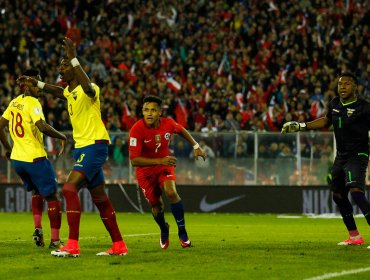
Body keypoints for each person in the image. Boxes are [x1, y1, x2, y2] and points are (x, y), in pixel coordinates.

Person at [17, 37, 127, 257]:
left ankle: (73, 245)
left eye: (64, 65)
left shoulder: (90, 88)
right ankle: (119, 245)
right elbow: (56, 91)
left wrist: (74, 57)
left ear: (75, 69)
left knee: (68, 189)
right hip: (82, 148)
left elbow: (87, 88)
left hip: (94, 146)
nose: (60, 68)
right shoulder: (68, 92)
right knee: (100, 198)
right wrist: (34, 82)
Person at [281, 72, 370, 247]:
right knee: (337, 195)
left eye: (346, 84)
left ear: (355, 87)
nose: (342, 87)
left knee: (355, 190)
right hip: (341, 156)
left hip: (357, 155)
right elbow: (326, 121)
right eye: (340, 84)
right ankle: (354, 236)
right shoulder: (335, 104)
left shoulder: (364, 107)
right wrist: (301, 126)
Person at [0, 69, 67, 250]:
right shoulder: (33, 102)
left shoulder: (14, 102)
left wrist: (8, 149)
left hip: (18, 161)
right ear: (27, 83)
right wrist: (62, 137)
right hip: (35, 158)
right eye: (36, 82)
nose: (40, 87)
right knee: (53, 197)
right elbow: (42, 126)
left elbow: (0, 126)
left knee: (37, 192)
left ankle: (38, 229)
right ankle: (55, 240)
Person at [129, 95, 206, 249]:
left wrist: (196, 146)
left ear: (160, 113)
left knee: (171, 192)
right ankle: (164, 228)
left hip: (165, 165)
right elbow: (134, 160)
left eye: (153, 110)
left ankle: (182, 232)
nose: (149, 113)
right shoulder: (136, 129)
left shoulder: (168, 123)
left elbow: (182, 130)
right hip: (145, 171)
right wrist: (159, 161)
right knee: (156, 205)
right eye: (146, 110)